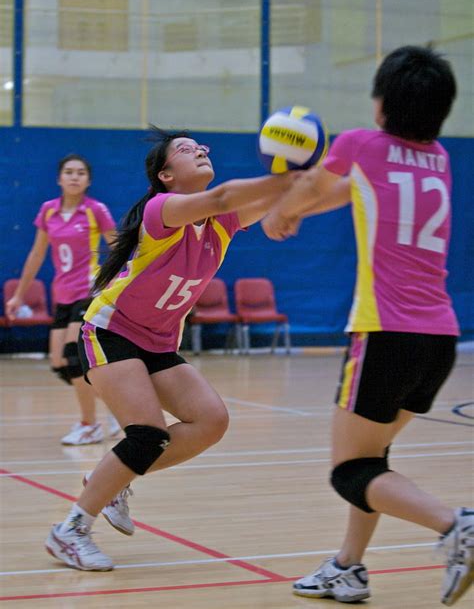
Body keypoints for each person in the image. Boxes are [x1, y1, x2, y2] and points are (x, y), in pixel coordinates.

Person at [262, 45, 473, 606]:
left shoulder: (360, 143)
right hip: (439, 339)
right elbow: (343, 192)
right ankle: (348, 567)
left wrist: (281, 213)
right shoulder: (440, 158)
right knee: (372, 458)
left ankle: (458, 526)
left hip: (384, 333)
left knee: (349, 468)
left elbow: (313, 189)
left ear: (381, 104)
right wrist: (300, 205)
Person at [44, 126, 300, 571]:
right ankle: (70, 531)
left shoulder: (220, 224)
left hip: (159, 340)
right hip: (111, 331)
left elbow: (268, 202)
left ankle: (110, 479)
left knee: (211, 421)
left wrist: (300, 182)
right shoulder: (160, 210)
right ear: (166, 175)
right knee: (147, 434)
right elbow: (225, 197)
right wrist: (290, 178)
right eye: (186, 149)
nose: (200, 150)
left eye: (201, 146)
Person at [6, 154, 120, 444]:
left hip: (89, 292)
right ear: (59, 178)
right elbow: (36, 254)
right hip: (63, 294)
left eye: (81, 173)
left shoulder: (96, 210)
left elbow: (118, 247)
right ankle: (120, 407)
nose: (74, 177)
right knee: (59, 365)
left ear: (88, 180)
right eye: (68, 172)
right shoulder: (48, 211)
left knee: (74, 359)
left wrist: (117, 284)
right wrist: (19, 295)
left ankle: (89, 425)